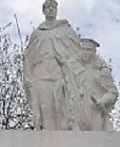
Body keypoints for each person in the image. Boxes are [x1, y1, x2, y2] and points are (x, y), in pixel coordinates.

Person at [23, 0, 84, 130]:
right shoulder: (38, 33)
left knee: (61, 106)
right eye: (48, 7)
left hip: (59, 72)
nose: (51, 9)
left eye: (53, 7)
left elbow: (77, 52)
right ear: (43, 10)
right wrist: (29, 76)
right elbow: (29, 57)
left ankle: (63, 141)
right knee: (45, 107)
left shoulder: (66, 30)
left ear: (56, 10)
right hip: (41, 72)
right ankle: (49, 141)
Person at [72, 38, 118, 131]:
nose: (85, 52)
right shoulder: (74, 68)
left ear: (94, 52)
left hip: (94, 110)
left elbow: (113, 92)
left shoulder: (101, 71)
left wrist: (103, 101)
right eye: (83, 49)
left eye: (88, 50)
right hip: (75, 111)